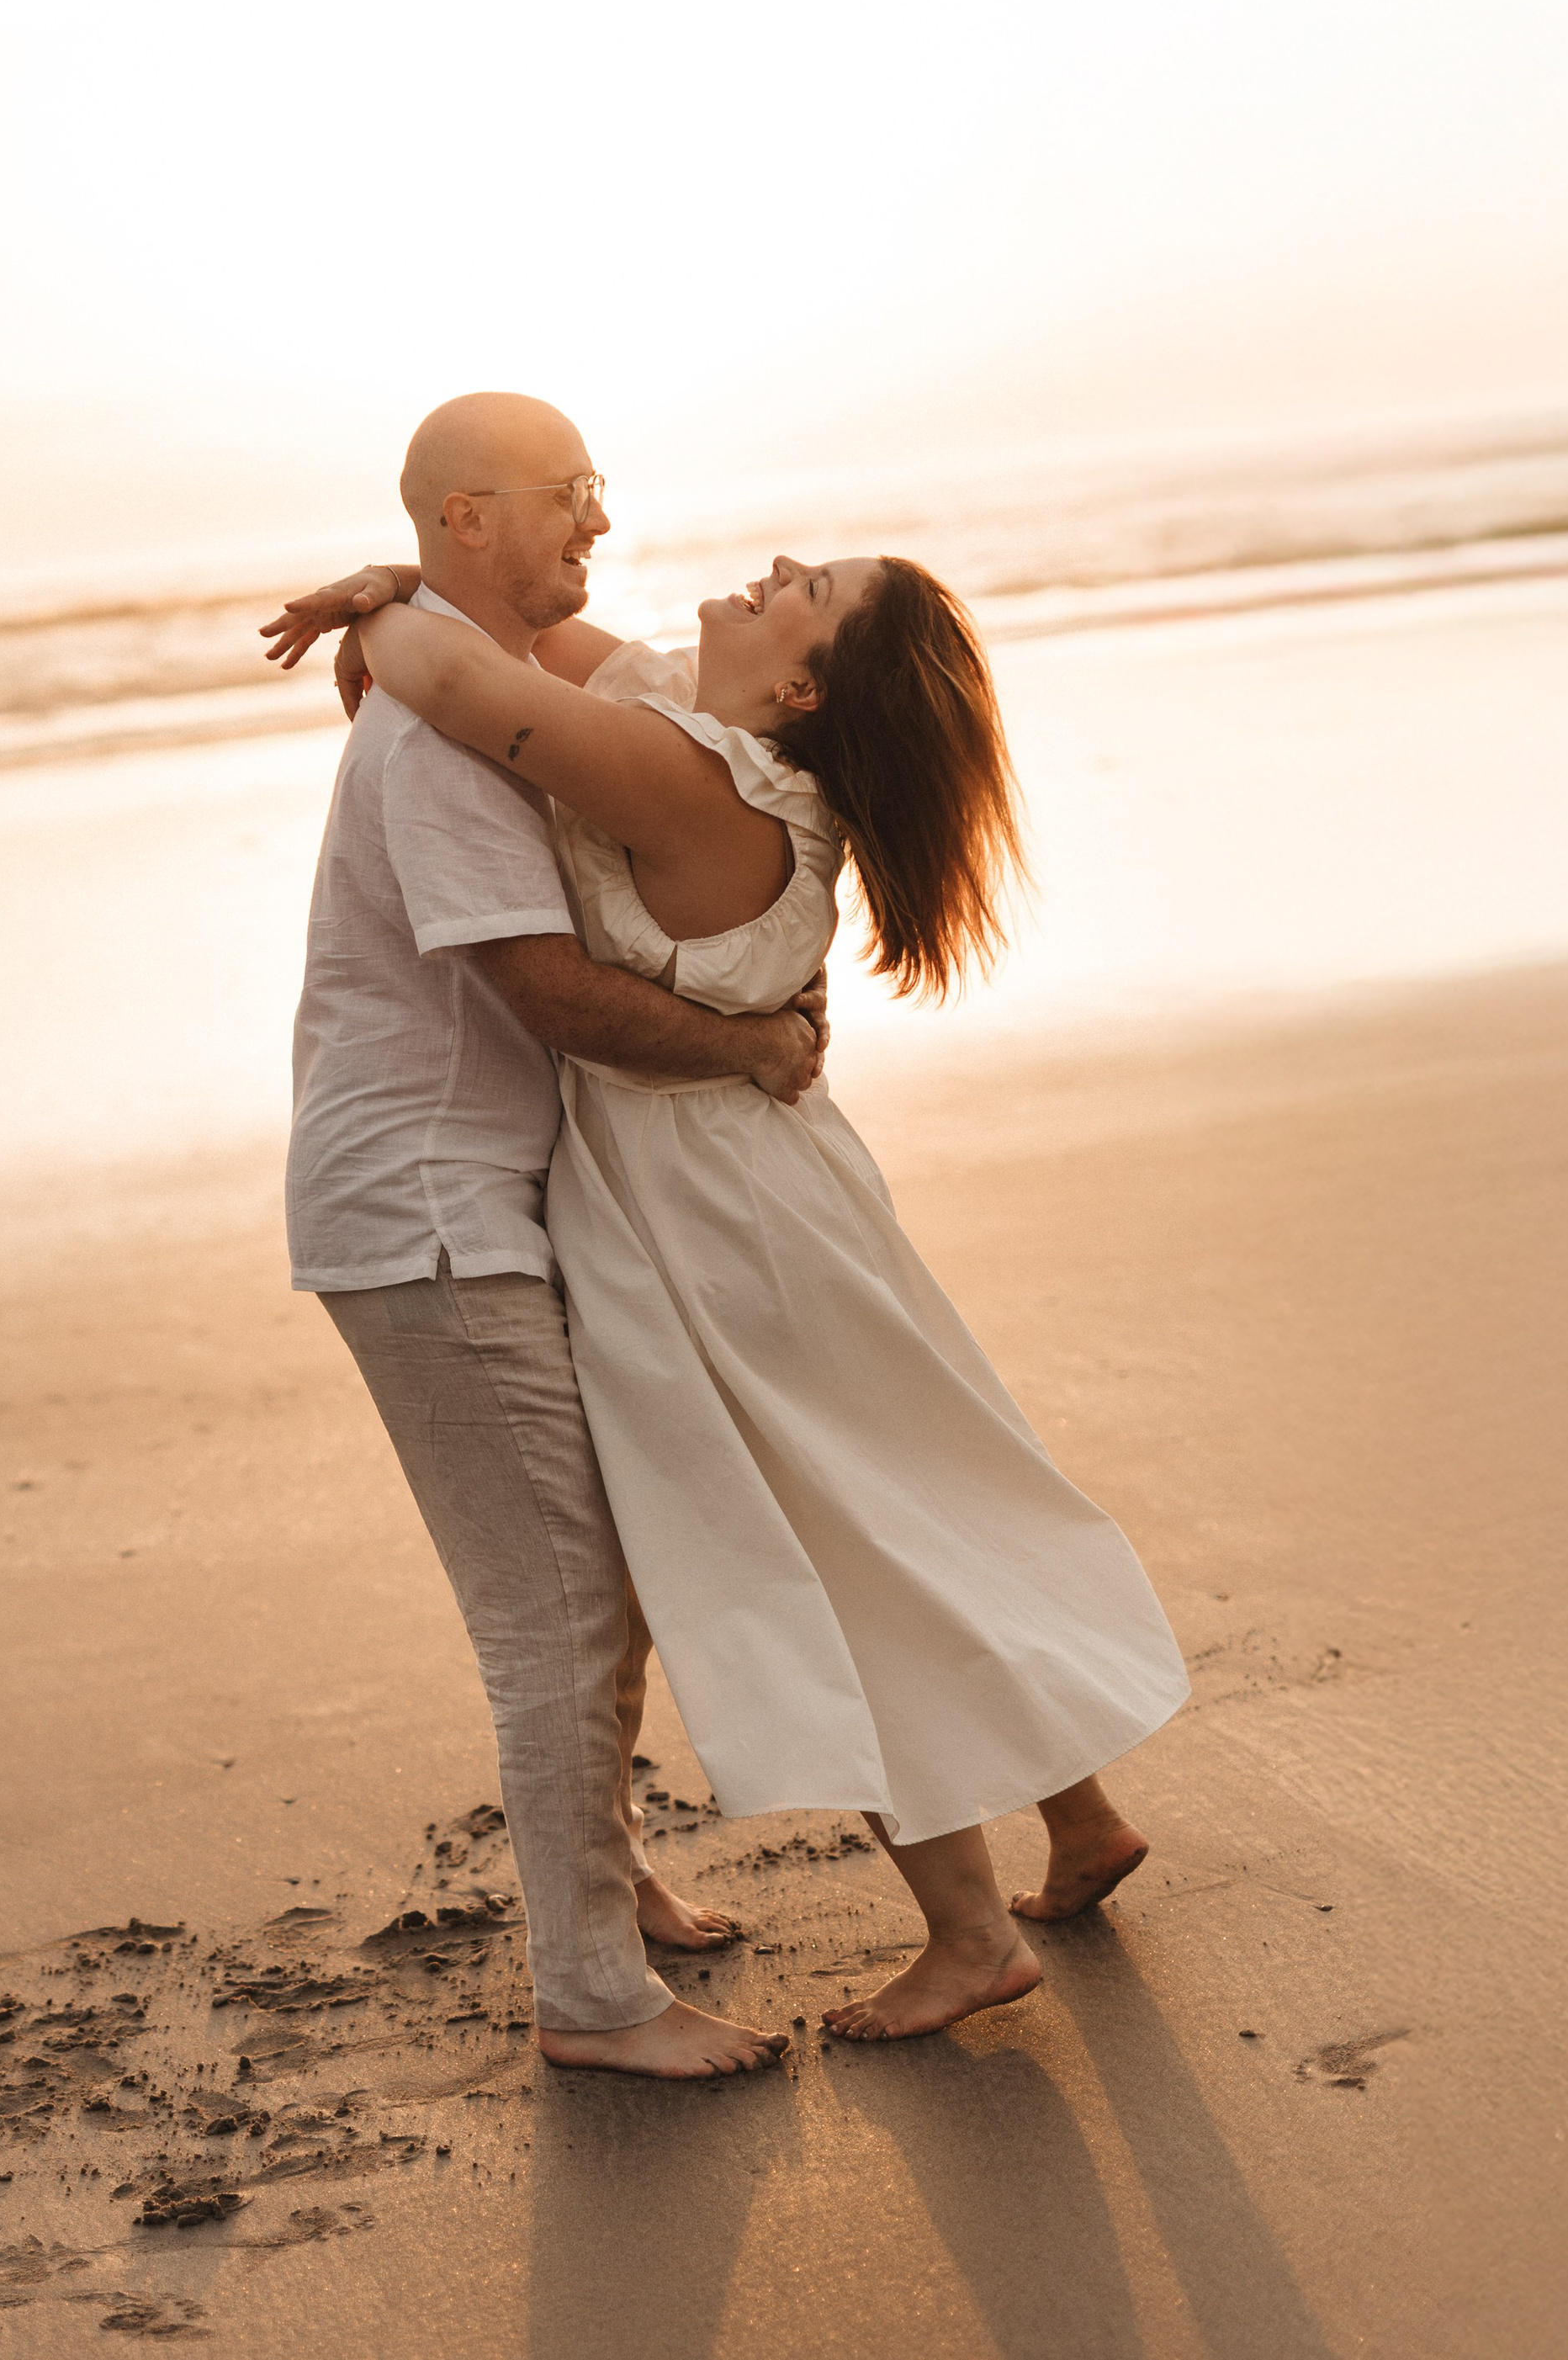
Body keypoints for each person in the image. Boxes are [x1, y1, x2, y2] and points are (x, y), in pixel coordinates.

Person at [272, 420, 1189, 2044]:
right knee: (892, 1500)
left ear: (808, 689)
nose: (765, 570)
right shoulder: (677, 729)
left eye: (807, 590)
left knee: (836, 1540)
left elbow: (483, 686)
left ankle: (969, 1928)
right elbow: (519, 650)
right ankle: (1076, 1815)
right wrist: (407, 583)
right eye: (575, 498)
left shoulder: (683, 773)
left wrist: (394, 609)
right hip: (751, 1190)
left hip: (707, 1208)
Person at [279, 394, 834, 2080]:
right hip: (425, 1214)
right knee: (558, 1607)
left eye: (596, 491)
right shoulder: (438, 737)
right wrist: (749, 1044)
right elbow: (542, 990)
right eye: (563, 496)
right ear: (466, 518)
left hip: (476, 1198)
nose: (599, 518)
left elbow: (623, 689)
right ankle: (589, 1996)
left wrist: (390, 594)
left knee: (599, 1570)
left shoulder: (479, 677)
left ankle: (604, 1886)